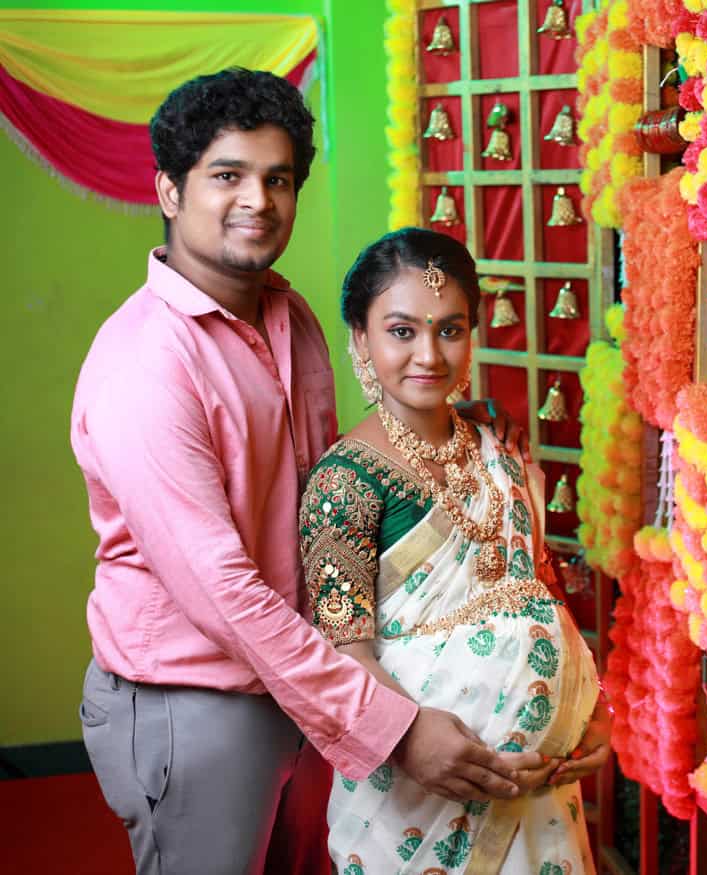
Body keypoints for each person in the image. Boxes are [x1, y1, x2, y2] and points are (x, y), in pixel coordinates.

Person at [70, 68, 550, 875]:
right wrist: (391, 724)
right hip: (198, 700)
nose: (257, 200)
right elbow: (223, 591)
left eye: (277, 178)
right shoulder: (145, 364)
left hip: (311, 679)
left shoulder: (286, 315)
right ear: (168, 189)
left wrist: (450, 428)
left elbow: (328, 493)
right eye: (227, 175)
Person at [299, 227, 610, 873]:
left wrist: (590, 707)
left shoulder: (502, 442)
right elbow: (343, 654)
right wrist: (415, 742)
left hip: (539, 778)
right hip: (417, 792)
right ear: (360, 336)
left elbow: (540, 590)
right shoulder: (342, 482)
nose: (429, 355)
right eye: (402, 330)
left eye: (450, 328)